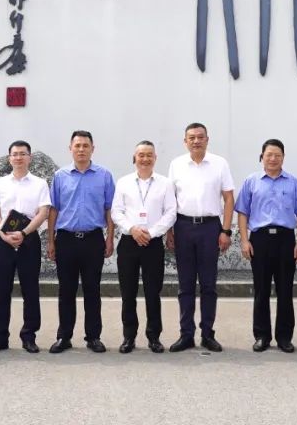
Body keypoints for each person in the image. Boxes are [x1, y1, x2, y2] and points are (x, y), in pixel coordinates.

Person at [166, 122, 234, 352]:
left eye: (200, 137)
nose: (196, 141)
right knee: (185, 284)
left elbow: (229, 198)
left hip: (210, 228)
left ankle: (207, 334)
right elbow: (170, 201)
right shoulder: (176, 164)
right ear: (185, 141)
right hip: (183, 226)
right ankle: (186, 334)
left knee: (208, 284)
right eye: (191, 137)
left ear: (207, 139)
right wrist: (169, 231)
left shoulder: (219, 163)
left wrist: (226, 230)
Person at [236, 139, 297, 352]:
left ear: (283, 157)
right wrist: (244, 240)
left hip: (285, 240)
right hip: (260, 240)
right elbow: (243, 212)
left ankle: (284, 337)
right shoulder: (252, 181)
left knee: (285, 290)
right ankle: (262, 336)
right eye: (269, 155)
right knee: (261, 290)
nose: (273, 159)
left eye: (278, 155)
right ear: (262, 157)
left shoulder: (293, 182)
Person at [47, 130, 116, 353]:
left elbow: (109, 209)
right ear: (70, 149)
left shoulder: (104, 176)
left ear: (92, 149)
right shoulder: (60, 176)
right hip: (66, 239)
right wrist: (50, 240)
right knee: (66, 290)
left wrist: (109, 238)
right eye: (77, 146)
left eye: (86, 146)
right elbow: (53, 210)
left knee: (92, 290)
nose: (81, 149)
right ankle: (64, 336)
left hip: (93, 239)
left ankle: (93, 337)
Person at [0, 140, 51, 354]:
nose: (18, 157)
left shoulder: (40, 183)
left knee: (30, 289)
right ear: (9, 158)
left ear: (29, 157)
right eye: (15, 154)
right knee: (1, 290)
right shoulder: (0, 183)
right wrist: (3, 233)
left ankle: (29, 336)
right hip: (3, 240)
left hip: (29, 239)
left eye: (23, 154)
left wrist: (24, 233)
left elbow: (43, 212)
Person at [111, 140, 177, 353]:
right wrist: (133, 229)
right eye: (141, 155)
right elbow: (116, 212)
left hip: (153, 242)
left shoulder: (165, 183)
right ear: (134, 158)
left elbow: (171, 212)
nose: (145, 159)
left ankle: (154, 337)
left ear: (155, 158)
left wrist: (153, 232)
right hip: (129, 242)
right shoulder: (123, 182)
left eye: (149, 155)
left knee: (152, 292)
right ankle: (128, 337)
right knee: (128, 293)